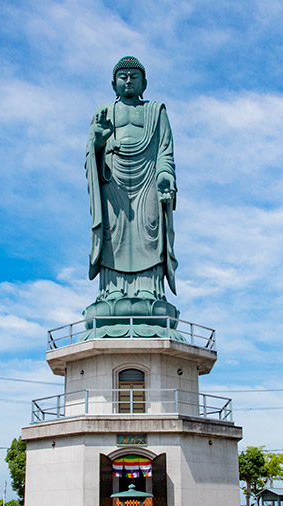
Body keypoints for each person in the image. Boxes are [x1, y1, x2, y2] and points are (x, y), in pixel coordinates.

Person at [85, 56, 178, 317]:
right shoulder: (104, 112)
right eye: (122, 76)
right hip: (112, 179)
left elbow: (165, 150)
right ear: (113, 83)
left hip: (148, 178)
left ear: (144, 82)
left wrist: (165, 174)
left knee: (149, 230)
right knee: (114, 233)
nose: (128, 80)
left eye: (133, 76)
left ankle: (149, 289)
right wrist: (98, 142)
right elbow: (91, 151)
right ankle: (112, 290)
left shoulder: (156, 111)